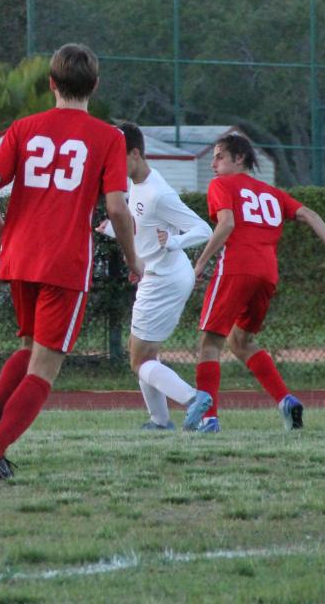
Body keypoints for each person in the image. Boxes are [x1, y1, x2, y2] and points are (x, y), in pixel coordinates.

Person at [0, 44, 141, 480]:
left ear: (51, 83)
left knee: (28, 349)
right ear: (95, 86)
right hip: (64, 261)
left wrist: (2, 235)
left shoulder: (24, 128)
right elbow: (118, 209)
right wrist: (131, 258)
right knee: (45, 367)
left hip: (20, 256)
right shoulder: (109, 138)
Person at [187, 132, 325, 433]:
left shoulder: (221, 185)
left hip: (236, 269)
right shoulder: (271, 193)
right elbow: (310, 214)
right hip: (267, 274)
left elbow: (226, 224)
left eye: (219, 157)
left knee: (209, 344)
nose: (213, 165)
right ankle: (285, 400)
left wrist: (200, 263)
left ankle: (208, 418)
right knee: (241, 342)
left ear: (239, 158)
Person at [99, 121, 213, 431]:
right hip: (161, 274)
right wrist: (112, 230)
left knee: (139, 360)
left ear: (135, 153)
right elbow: (143, 226)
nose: (113, 165)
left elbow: (203, 229)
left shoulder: (158, 193)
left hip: (164, 279)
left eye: (117, 157)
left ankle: (192, 399)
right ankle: (160, 421)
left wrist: (175, 241)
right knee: (147, 354)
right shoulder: (138, 184)